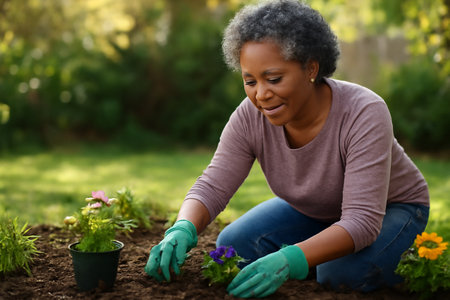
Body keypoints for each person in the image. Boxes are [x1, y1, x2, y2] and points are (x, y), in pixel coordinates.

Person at [144, 0, 430, 297]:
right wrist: (183, 228)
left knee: (338, 274)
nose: (261, 94)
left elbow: (361, 221)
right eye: (250, 81)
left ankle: (366, 258)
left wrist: (289, 258)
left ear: (311, 68)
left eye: (274, 79)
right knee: (235, 244)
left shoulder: (363, 111)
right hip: (317, 210)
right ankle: (320, 252)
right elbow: (213, 184)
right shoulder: (250, 116)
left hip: (393, 209)